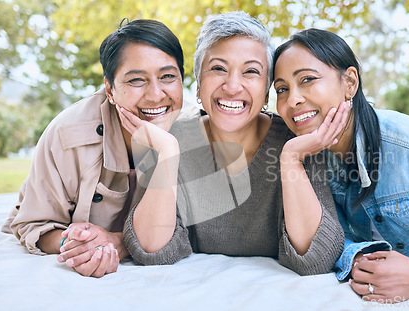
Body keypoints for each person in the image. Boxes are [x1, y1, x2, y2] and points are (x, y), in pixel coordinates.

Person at [272, 28, 409, 301]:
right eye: (282, 89)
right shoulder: (301, 153)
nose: (293, 100)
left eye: (308, 79)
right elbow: (321, 244)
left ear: (350, 82)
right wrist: (357, 258)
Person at [123, 11, 345, 276]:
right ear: (198, 82)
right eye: (218, 69)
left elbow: (316, 259)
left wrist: (291, 160)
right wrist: (169, 152)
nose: (232, 86)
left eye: (251, 71)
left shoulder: (297, 140)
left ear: (266, 91)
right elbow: (150, 250)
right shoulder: (168, 139)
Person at [1, 19, 185, 278]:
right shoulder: (67, 135)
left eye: (167, 76)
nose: (156, 95)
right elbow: (35, 224)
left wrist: (166, 153)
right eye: (136, 80)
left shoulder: (190, 133)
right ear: (109, 89)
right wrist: (77, 246)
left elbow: (163, 239)